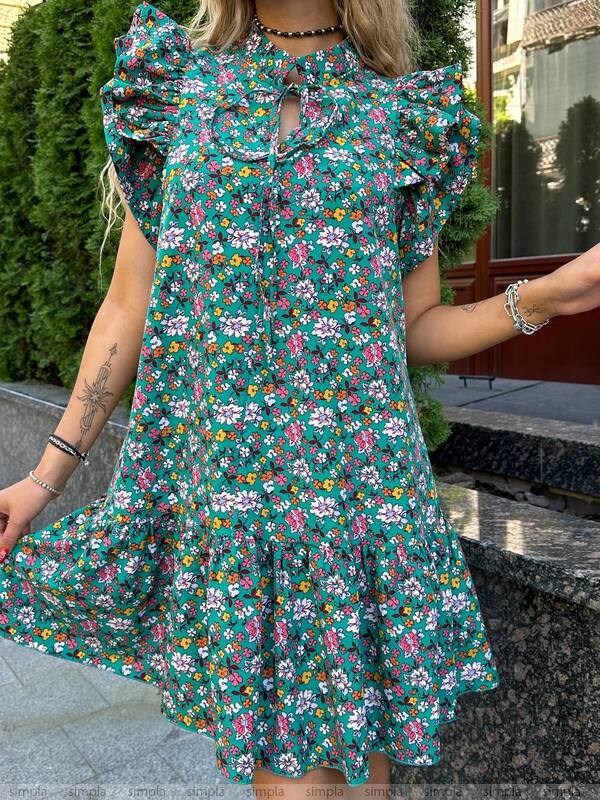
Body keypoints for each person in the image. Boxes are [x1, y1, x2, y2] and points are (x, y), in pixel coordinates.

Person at [0, 0, 599, 795]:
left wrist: (555, 294)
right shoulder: (181, 89)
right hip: (234, 494)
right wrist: (45, 480)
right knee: (290, 773)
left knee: (360, 771)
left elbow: (413, 326)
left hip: (359, 494)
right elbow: (127, 305)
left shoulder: (401, 113)